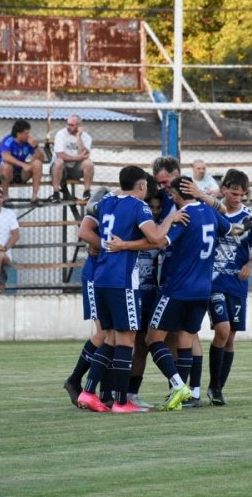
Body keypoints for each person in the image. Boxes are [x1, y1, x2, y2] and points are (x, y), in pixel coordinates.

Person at [75, 166, 178, 413]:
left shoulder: (107, 201)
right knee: (127, 339)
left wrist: (119, 245)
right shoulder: (138, 206)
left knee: (110, 337)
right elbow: (155, 238)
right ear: (141, 185)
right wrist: (170, 219)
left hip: (100, 278)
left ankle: (89, 392)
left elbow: (90, 227)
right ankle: (121, 402)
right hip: (123, 282)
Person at [144, 176, 232, 411]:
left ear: (175, 195)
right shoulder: (210, 211)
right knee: (185, 338)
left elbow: (160, 241)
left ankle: (178, 384)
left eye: (171, 195)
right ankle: (182, 394)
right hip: (203, 290)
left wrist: (124, 245)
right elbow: (230, 227)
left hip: (177, 289)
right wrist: (207, 199)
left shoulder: (183, 217)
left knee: (152, 339)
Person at [207, 169, 252, 406]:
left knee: (230, 338)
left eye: (241, 195)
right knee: (222, 330)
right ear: (223, 190)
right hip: (214, 281)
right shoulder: (212, 211)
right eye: (233, 193)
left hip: (237, 284)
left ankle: (217, 388)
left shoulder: (250, 217)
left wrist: (251, 262)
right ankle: (212, 385)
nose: (237, 198)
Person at [63, 186, 111, 407]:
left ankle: (104, 389)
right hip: (94, 276)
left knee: (111, 334)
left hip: (108, 277)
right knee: (103, 333)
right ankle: (75, 380)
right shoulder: (100, 205)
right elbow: (84, 232)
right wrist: (104, 246)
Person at [0, 119, 44, 203]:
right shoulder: (8, 140)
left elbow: (41, 158)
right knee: (7, 166)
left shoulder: (28, 142)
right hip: (2, 173)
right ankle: (5, 197)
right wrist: (23, 165)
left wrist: (36, 147)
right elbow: (5, 157)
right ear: (19, 134)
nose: (28, 135)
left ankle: (35, 197)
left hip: (19, 174)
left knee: (37, 163)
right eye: (26, 133)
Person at [49, 114, 94, 203]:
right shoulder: (61, 134)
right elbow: (60, 155)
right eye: (68, 124)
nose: (68, 127)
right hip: (61, 169)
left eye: (72, 125)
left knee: (88, 163)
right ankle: (56, 193)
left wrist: (78, 137)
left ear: (79, 126)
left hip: (75, 169)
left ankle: (87, 192)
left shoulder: (86, 137)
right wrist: (78, 158)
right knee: (59, 162)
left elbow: (84, 155)